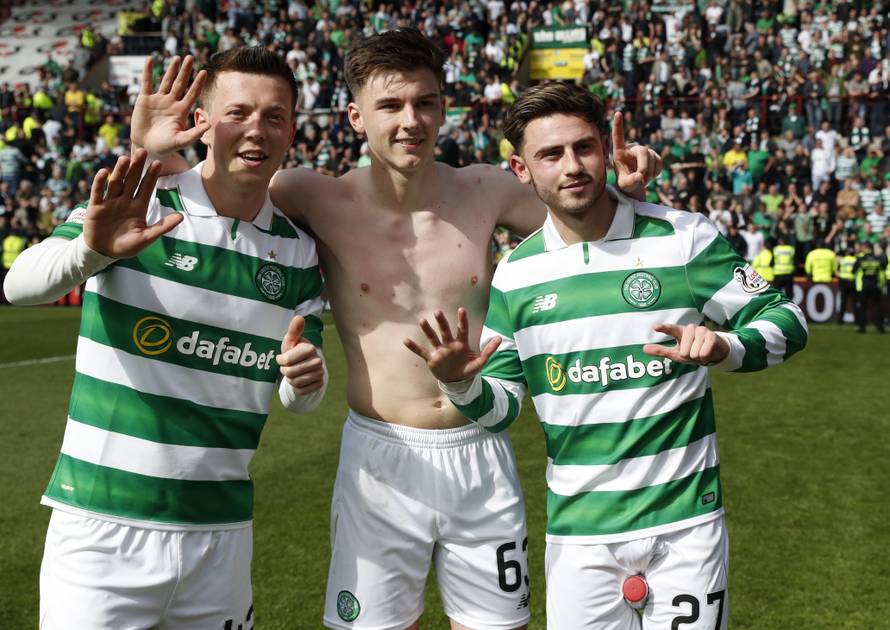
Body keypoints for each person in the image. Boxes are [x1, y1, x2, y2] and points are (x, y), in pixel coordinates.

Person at [134, 31, 664, 630]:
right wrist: (148, 150)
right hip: (380, 456)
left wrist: (626, 189)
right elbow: (216, 190)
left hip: (479, 449)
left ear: (443, 108)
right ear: (356, 116)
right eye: (390, 105)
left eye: (424, 102)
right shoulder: (312, 195)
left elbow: (583, 216)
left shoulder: (487, 189)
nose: (411, 121)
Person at [406, 83, 808, 630]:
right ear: (522, 170)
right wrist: (460, 384)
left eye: (584, 147)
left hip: (685, 525)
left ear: (605, 148)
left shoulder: (682, 238)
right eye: (551, 154)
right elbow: (501, 409)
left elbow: (788, 320)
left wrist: (727, 346)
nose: (572, 166)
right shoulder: (517, 274)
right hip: (580, 535)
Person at [4, 48, 329, 629]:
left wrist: (306, 380)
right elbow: (18, 284)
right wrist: (91, 250)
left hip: (221, 536)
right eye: (238, 113)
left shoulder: (300, 253)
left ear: (291, 131)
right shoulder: (143, 201)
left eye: (274, 116)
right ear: (202, 123)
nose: (256, 129)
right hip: (103, 525)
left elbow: (299, 398)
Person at [853, 242, 887, 333]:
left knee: (862, 307)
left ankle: (862, 327)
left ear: (865, 248)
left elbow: (854, 270)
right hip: (875, 285)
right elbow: (884, 267)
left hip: (864, 286)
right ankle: (880, 327)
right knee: (877, 306)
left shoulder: (861, 259)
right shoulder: (878, 258)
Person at [836, 248, 858, 324]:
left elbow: (837, 271)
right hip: (853, 281)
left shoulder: (843, 260)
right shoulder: (855, 260)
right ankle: (857, 320)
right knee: (854, 301)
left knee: (843, 301)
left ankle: (840, 320)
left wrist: (840, 275)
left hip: (844, 281)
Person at [772, 235, 796, 299]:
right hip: (788, 274)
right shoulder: (791, 249)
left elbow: (772, 262)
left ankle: (778, 305)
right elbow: (795, 260)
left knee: (777, 294)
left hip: (778, 274)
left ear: (780, 241)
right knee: (789, 294)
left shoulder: (776, 249)